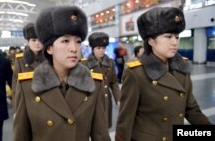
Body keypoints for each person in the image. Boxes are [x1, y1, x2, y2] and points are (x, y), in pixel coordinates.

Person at [13, 6, 111, 141]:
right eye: (65, 41)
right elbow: (21, 136)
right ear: (49, 48)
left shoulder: (93, 84)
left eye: (78, 41)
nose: (74, 48)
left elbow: (100, 135)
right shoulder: (27, 86)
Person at [115, 7, 211, 141]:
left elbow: (191, 109)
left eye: (177, 37)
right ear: (151, 41)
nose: (175, 42)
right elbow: (125, 121)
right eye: (168, 36)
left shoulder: (182, 68)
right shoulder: (136, 73)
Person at [81, 32, 121, 128]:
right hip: (93, 101)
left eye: (103, 48)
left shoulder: (110, 62)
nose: (101, 51)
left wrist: (119, 98)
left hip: (106, 101)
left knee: (104, 128)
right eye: (98, 48)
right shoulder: (85, 64)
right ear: (93, 49)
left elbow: (114, 82)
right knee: (94, 128)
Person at [12, 22, 44, 110]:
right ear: (28, 42)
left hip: (47, 104)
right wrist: (16, 110)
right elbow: (16, 88)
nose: (37, 43)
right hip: (28, 105)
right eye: (34, 40)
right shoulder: (20, 60)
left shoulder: (50, 59)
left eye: (40, 40)